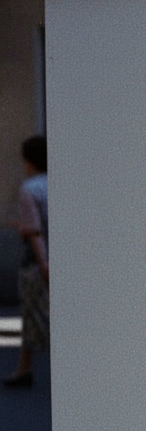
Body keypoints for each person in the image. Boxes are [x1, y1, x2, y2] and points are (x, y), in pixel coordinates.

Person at [3, 136, 49, 388]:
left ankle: (24, 369)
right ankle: (23, 369)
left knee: (34, 315)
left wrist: (43, 263)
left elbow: (33, 231)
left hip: (37, 262)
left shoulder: (30, 189)